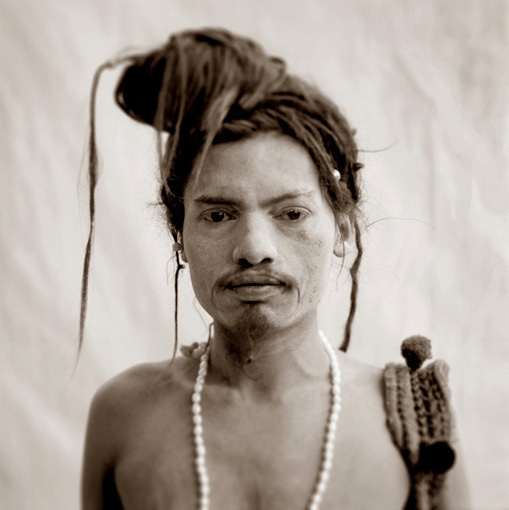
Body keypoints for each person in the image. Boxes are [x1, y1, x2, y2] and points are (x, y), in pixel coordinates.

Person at [80, 28, 470, 510]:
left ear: (341, 230)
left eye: (291, 213)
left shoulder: (416, 424)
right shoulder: (122, 416)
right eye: (218, 215)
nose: (254, 249)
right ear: (180, 235)